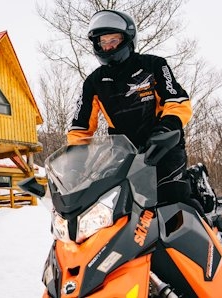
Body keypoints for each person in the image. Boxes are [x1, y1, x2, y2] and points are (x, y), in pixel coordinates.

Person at [68, 9, 193, 205]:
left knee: (172, 200)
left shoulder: (154, 65)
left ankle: (203, 228)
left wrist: (167, 128)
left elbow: (177, 102)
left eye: (114, 40)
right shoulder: (94, 82)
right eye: (103, 42)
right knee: (108, 205)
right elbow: (80, 128)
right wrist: (74, 165)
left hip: (162, 147)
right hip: (124, 155)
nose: (108, 47)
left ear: (128, 38)